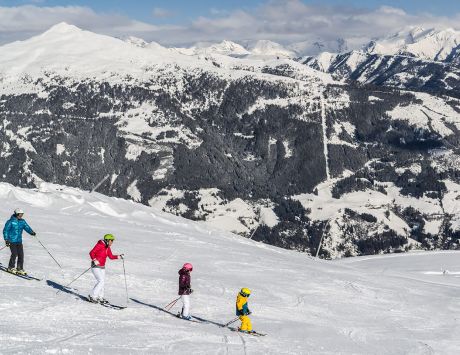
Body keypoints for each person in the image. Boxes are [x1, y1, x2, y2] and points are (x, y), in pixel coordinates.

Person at [88, 234, 123, 304]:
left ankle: (100, 297)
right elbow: (91, 252)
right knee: (100, 281)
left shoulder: (107, 247)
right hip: (95, 266)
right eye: (111, 240)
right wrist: (94, 260)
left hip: (102, 267)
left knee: (102, 282)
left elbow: (111, 256)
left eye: (112, 241)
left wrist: (119, 256)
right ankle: (93, 296)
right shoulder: (100, 245)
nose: (112, 242)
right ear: (107, 240)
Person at [3, 208, 36, 275]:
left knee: (21, 255)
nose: (21, 216)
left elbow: (27, 227)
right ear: (16, 214)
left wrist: (31, 232)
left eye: (22, 214)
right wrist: (6, 240)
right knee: (14, 254)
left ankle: (19, 268)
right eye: (20, 214)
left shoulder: (22, 221)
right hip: (11, 241)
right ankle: (10, 267)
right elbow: (5, 231)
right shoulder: (10, 221)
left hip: (19, 241)